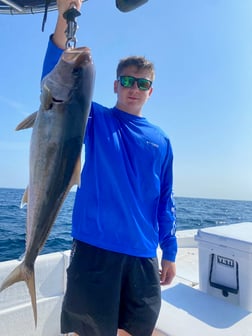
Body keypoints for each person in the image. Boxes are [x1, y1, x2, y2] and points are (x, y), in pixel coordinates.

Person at [41, 1, 177, 335]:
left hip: (143, 255)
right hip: (94, 248)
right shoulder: (96, 118)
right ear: (115, 85)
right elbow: (55, 79)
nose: (134, 89)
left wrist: (169, 250)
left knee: (135, 331)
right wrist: (65, 14)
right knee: (86, 331)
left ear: (151, 91)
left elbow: (165, 200)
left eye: (142, 84)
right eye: (128, 81)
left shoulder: (162, 140)